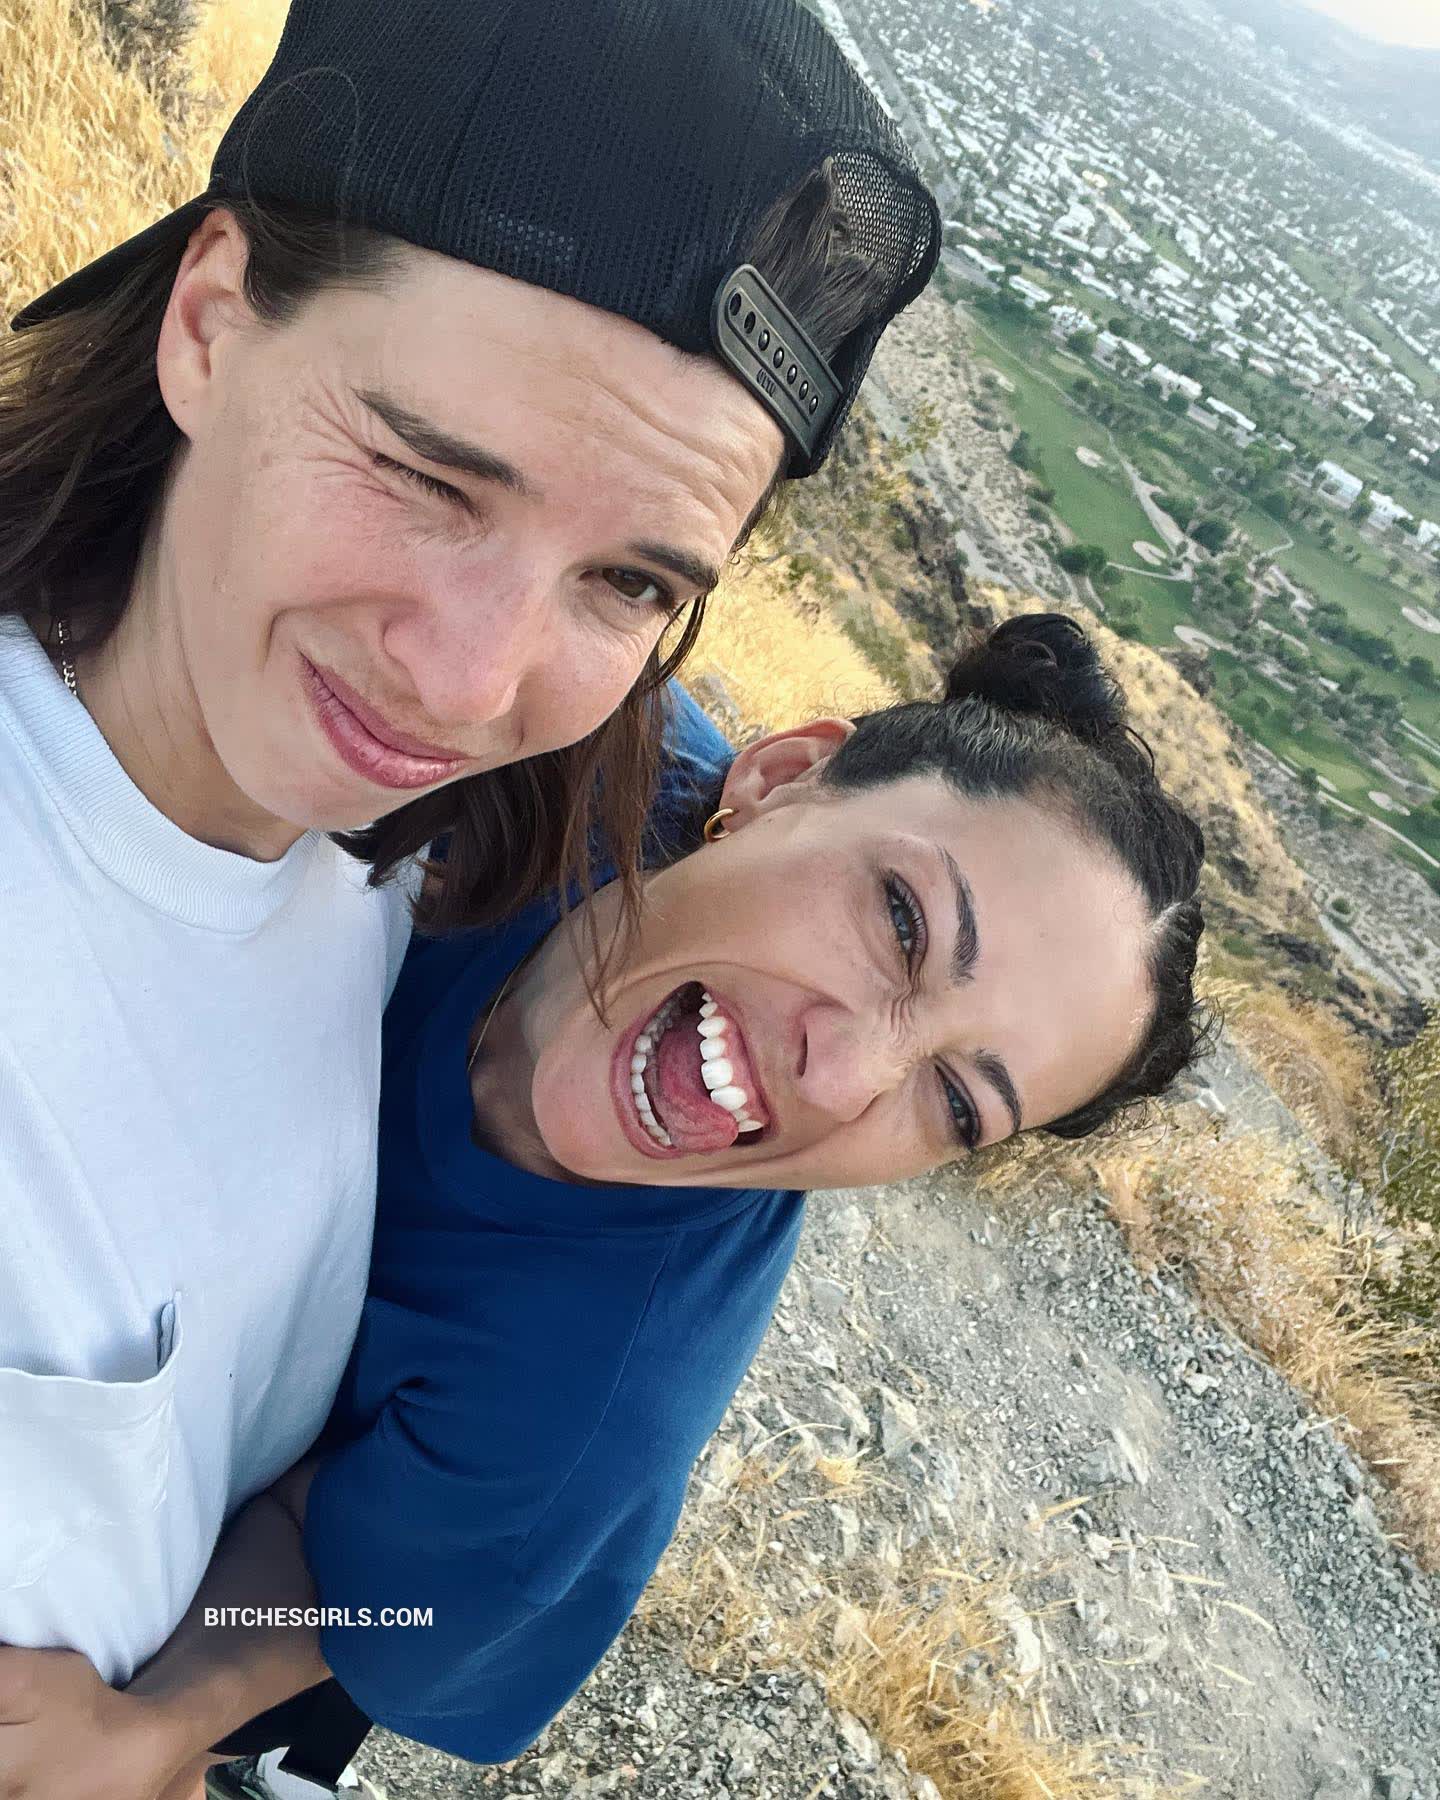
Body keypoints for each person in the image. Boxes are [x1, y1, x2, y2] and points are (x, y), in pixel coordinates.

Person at [0, 0, 940, 1717]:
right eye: (427, 475)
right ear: (209, 323)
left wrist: (180, 1719)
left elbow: (397, 1608)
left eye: (629, 584)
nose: (468, 683)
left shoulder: (447, 855)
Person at [1, 614, 1211, 1800]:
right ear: (777, 780)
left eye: (952, 1101)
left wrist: (157, 1723)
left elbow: (363, 1601)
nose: (843, 1078)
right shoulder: (553, 741)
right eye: (902, 923)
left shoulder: (583, 1406)